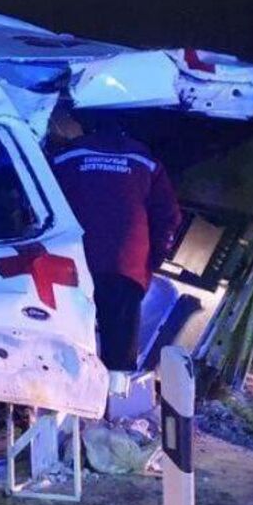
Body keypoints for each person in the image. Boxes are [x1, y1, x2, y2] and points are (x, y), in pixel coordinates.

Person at [49, 108, 182, 371]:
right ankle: (114, 401)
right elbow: (168, 216)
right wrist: (150, 261)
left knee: (68, 338)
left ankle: (62, 400)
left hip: (71, 263)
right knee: (119, 346)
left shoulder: (67, 156)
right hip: (125, 265)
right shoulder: (144, 160)